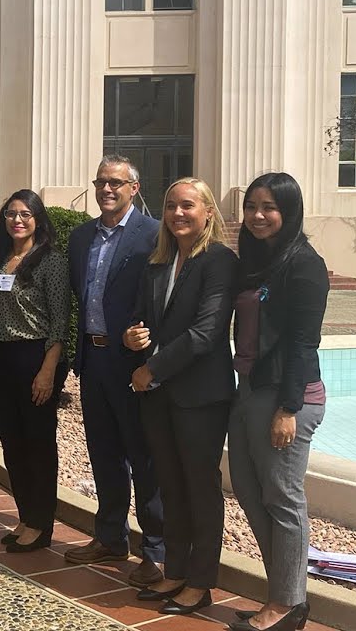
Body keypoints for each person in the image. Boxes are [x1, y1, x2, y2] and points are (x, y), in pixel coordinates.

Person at [124, 177, 237, 616]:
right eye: (171, 205)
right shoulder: (158, 261)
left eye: (188, 205)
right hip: (158, 395)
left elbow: (206, 333)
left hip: (200, 397)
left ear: (208, 211)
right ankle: (174, 571)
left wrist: (151, 367)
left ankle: (201, 582)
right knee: (169, 485)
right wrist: (132, 337)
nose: (177, 214)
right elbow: (143, 317)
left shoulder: (219, 261)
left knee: (200, 490)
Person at [227, 172, 329, 631]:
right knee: (250, 491)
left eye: (269, 207)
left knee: (283, 497)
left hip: (288, 396)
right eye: (251, 207)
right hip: (249, 387)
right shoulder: (255, 261)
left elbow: (305, 342)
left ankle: (288, 604)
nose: (258, 216)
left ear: (288, 212)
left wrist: (288, 409)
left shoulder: (304, 264)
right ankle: (283, 593)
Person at [64, 155, 165, 586]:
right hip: (94, 358)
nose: (107, 189)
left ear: (134, 188)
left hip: (132, 364)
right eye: (101, 181)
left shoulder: (154, 234)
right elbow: (77, 293)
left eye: (116, 183)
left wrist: (149, 346)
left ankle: (156, 550)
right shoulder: (82, 236)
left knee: (142, 458)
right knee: (103, 452)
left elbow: (163, 298)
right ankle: (110, 536)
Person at [0, 190, 72, 552]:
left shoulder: (51, 262)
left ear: (38, 219)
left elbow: (59, 322)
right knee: (13, 443)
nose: (17, 220)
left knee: (38, 445)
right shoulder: (1, 258)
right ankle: (25, 516)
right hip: (0, 360)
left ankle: (41, 523)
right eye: (10, 214)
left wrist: (48, 370)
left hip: (34, 358)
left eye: (25, 214)